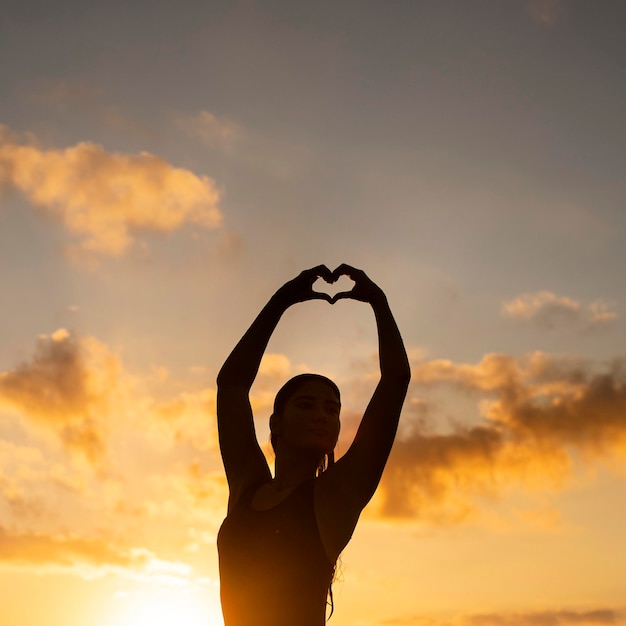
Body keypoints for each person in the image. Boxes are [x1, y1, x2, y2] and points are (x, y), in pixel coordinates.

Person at [216, 264, 411, 626]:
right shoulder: (247, 485)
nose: (322, 415)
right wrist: (281, 301)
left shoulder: (336, 497)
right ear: (276, 423)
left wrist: (379, 303)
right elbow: (231, 385)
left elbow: (396, 379)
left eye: (332, 409)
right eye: (306, 405)